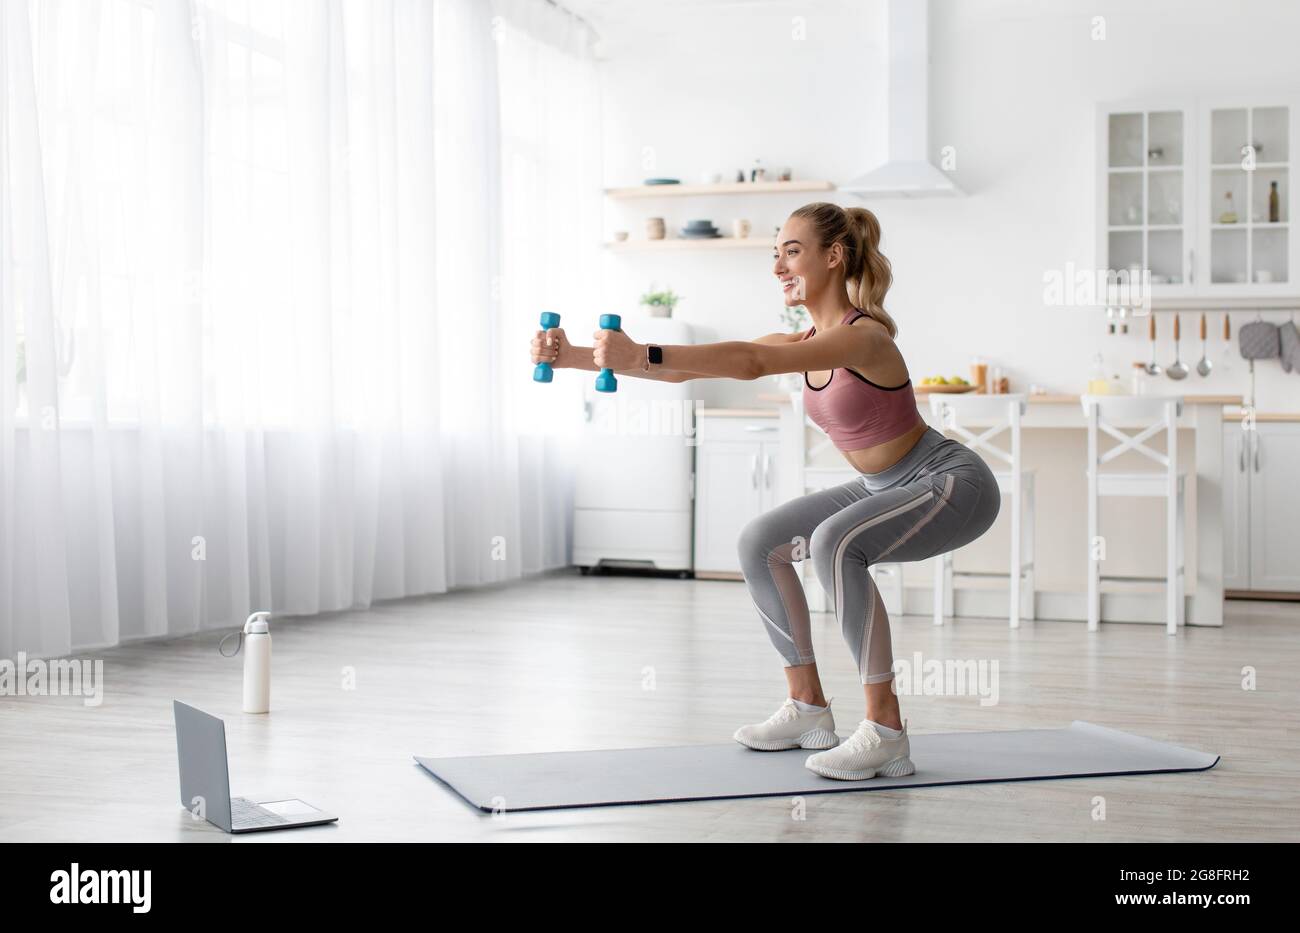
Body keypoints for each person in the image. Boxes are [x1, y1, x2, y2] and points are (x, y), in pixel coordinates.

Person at [529, 201, 1000, 781]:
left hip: (950, 482)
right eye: (774, 253)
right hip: (884, 482)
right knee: (760, 541)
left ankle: (885, 730)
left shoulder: (864, 338)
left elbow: (751, 363)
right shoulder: (801, 338)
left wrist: (641, 351)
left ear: (834, 257)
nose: (778, 264)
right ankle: (808, 708)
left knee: (833, 542)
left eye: (792, 251)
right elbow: (696, 368)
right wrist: (577, 356)